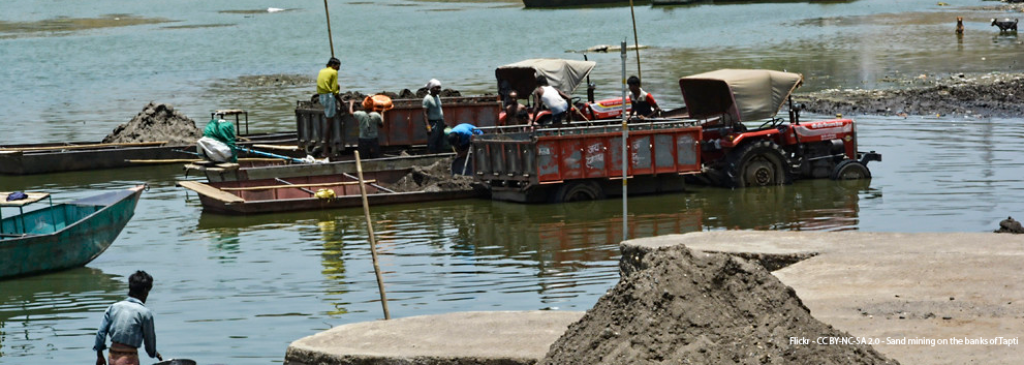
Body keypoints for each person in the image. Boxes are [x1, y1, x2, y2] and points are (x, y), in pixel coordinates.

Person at [94, 271, 161, 365]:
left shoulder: (113, 307)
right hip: (129, 359)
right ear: (145, 291)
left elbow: (100, 333)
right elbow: (149, 340)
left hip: (112, 356)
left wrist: (100, 355)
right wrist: (153, 353)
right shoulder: (145, 313)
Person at [316, 57, 342, 157]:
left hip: (321, 97)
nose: (339, 69)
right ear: (334, 66)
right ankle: (325, 151)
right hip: (328, 97)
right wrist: (342, 103)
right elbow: (335, 91)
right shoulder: (334, 72)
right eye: (338, 66)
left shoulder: (322, 71)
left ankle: (326, 148)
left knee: (328, 121)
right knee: (329, 123)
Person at [422, 78, 445, 153]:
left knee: (440, 141)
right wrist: (428, 126)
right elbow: (425, 114)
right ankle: (430, 156)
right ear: (431, 88)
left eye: (440, 87)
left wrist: (443, 122)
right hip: (433, 123)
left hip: (440, 122)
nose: (439, 89)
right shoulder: (427, 99)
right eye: (437, 88)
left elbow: (439, 110)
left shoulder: (437, 97)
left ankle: (439, 155)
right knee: (432, 142)